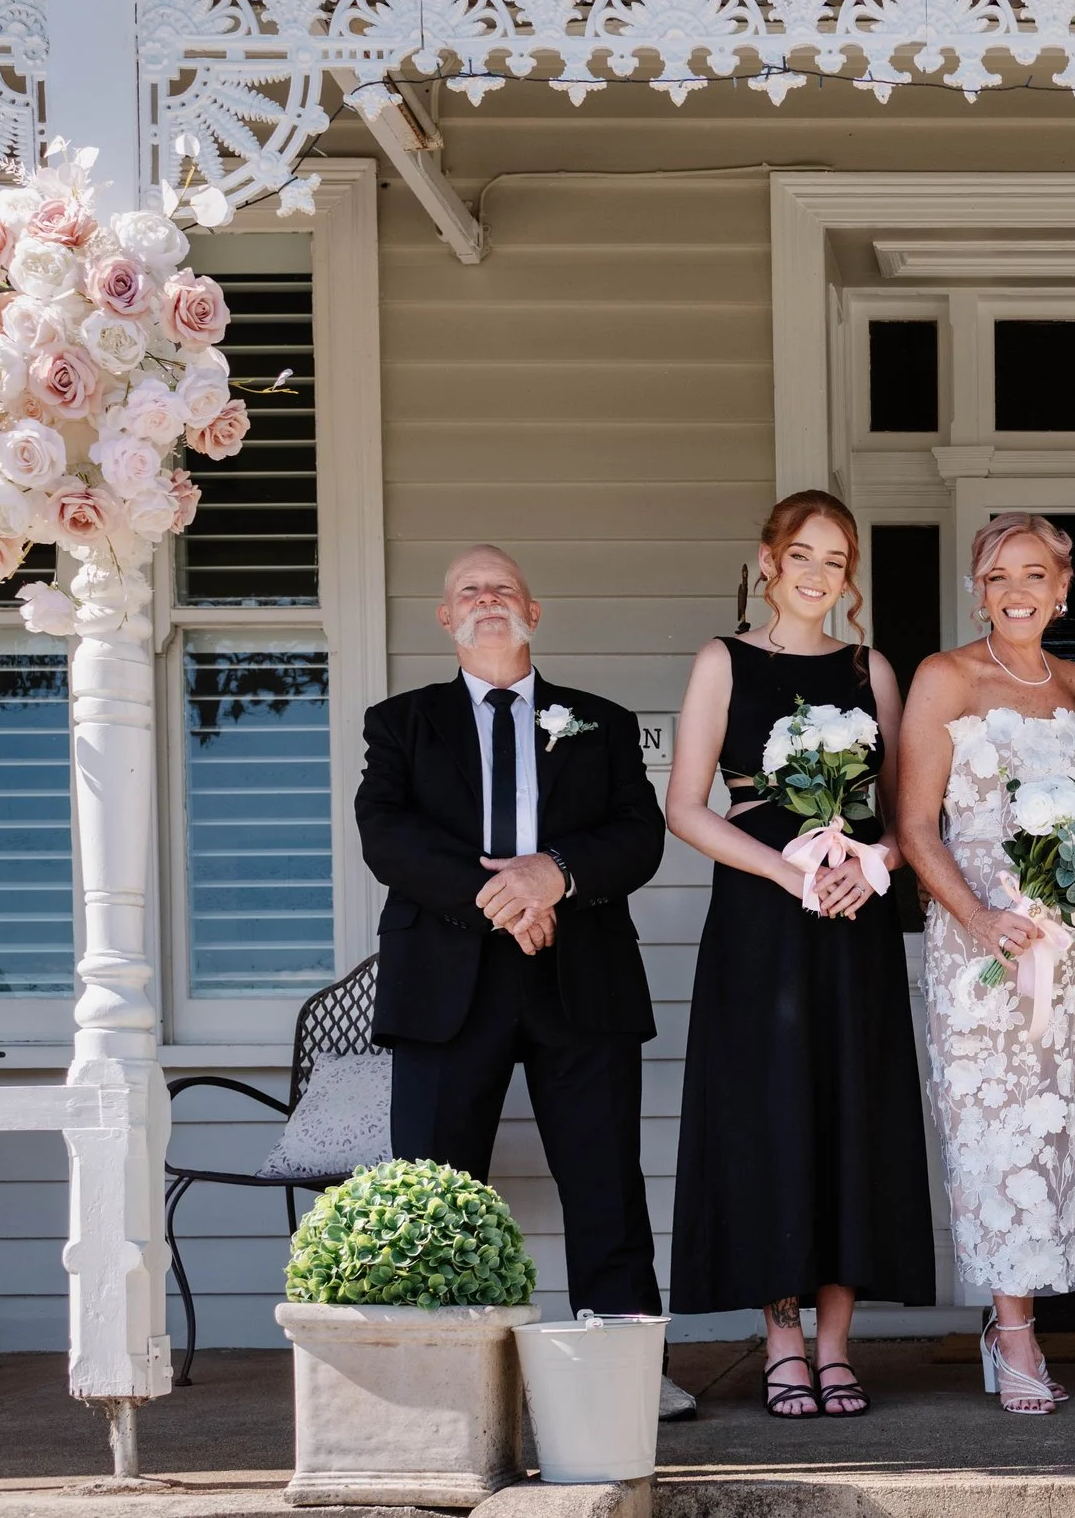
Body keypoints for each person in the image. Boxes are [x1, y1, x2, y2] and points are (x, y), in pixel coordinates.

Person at [355, 545, 688, 1420]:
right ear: (445, 618)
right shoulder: (400, 722)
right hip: (446, 982)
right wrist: (504, 896)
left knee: (605, 1177)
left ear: (532, 612)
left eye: (503, 587)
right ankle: (438, 1378)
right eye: (469, 588)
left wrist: (557, 874)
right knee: (434, 1181)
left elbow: (637, 835)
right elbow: (387, 834)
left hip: (581, 976)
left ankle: (626, 1371)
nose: (487, 599)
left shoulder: (601, 721)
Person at [664, 491, 935, 1419]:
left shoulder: (871, 668)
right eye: (806, 555)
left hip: (851, 926)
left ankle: (834, 1346)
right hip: (761, 924)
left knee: (848, 1115)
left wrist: (876, 862)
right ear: (770, 559)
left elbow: (906, 816)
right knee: (768, 1114)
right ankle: (779, 1339)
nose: (822, 575)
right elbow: (687, 807)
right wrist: (785, 872)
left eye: (838, 559)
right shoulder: (723, 660)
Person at [896, 512, 1075, 1417]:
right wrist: (981, 916)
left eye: (1035, 574)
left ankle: (1018, 1320)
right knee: (994, 1128)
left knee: (1060, 1123)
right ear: (977, 590)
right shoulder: (945, 677)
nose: (1016, 590)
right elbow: (913, 824)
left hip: (1072, 948)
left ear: (1062, 589)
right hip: (979, 937)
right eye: (997, 577)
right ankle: (1012, 1327)